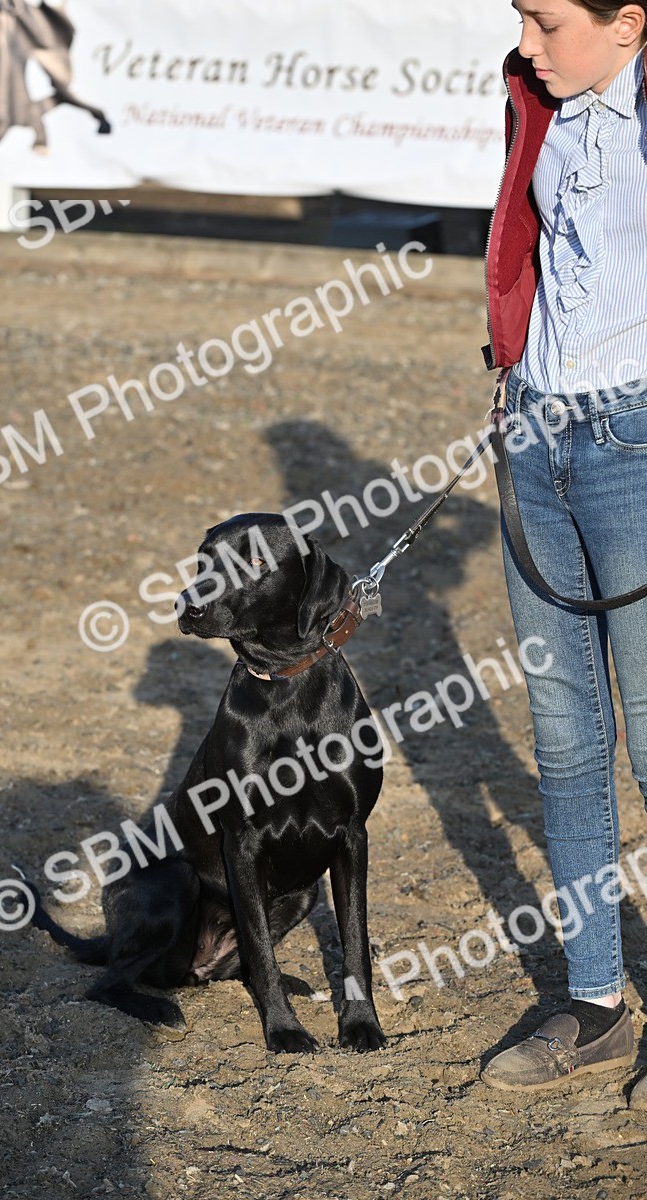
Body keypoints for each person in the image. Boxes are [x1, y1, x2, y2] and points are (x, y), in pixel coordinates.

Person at [481, 0, 647, 1104]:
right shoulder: (532, 97)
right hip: (534, 431)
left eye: (544, 22)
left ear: (625, 22)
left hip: (636, 440)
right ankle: (593, 997)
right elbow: (522, 247)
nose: (527, 46)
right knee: (566, 744)